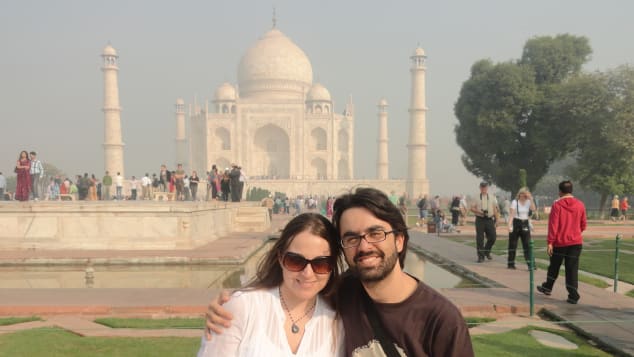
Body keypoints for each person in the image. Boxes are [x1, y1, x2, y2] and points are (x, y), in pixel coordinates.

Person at [206, 187, 474, 356]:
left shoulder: (441, 319)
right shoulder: (342, 293)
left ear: (400, 240)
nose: (365, 246)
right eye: (352, 238)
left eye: (376, 233)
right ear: (343, 249)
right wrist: (234, 303)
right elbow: (289, 291)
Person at [197, 213, 344, 356]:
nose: (307, 273)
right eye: (295, 261)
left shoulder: (337, 322)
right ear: (280, 258)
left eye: (321, 264)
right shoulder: (244, 307)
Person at [537, 180, 586, 304]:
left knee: (554, 266)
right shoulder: (580, 204)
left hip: (560, 242)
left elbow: (554, 225)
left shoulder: (557, 205)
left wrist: (550, 242)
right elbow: (583, 224)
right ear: (571, 190)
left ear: (560, 191)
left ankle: (548, 286)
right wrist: (574, 232)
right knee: (572, 269)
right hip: (575, 242)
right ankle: (573, 295)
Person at [507, 188, 537, 270]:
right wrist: (509, 226)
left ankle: (531, 264)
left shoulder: (528, 202)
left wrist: (530, 198)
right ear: (519, 194)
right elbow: (511, 215)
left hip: (525, 223)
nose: (524, 195)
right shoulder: (514, 202)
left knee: (527, 244)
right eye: (523, 194)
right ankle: (511, 263)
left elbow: (533, 209)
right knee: (513, 244)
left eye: (526, 194)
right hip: (516, 222)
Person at [470, 181, 499, 262]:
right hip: (480, 219)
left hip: (489, 219)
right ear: (480, 188)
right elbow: (472, 208)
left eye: (485, 187)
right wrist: (479, 212)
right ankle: (481, 256)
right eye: (482, 187)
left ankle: (486, 251)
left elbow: (495, 209)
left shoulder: (492, 197)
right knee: (480, 239)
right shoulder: (476, 197)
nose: (484, 189)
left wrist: (497, 220)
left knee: (493, 237)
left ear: (487, 188)